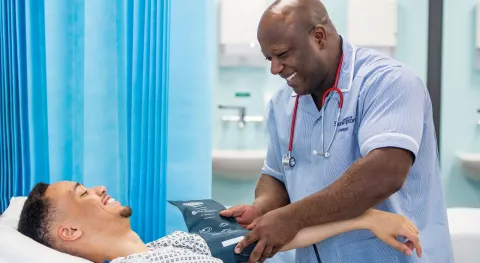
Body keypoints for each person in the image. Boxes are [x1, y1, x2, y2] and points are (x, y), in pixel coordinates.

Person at [220, 0, 454, 262]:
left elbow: (384, 173)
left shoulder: (388, 82)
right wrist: (260, 209)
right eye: (269, 59)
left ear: (318, 37)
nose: (274, 69)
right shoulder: (282, 105)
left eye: (282, 54)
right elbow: (275, 176)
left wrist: (292, 218)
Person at [17, 181, 422, 263]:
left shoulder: (168, 247)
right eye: (82, 193)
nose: (99, 187)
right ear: (68, 233)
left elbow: (265, 240)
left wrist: (366, 219)